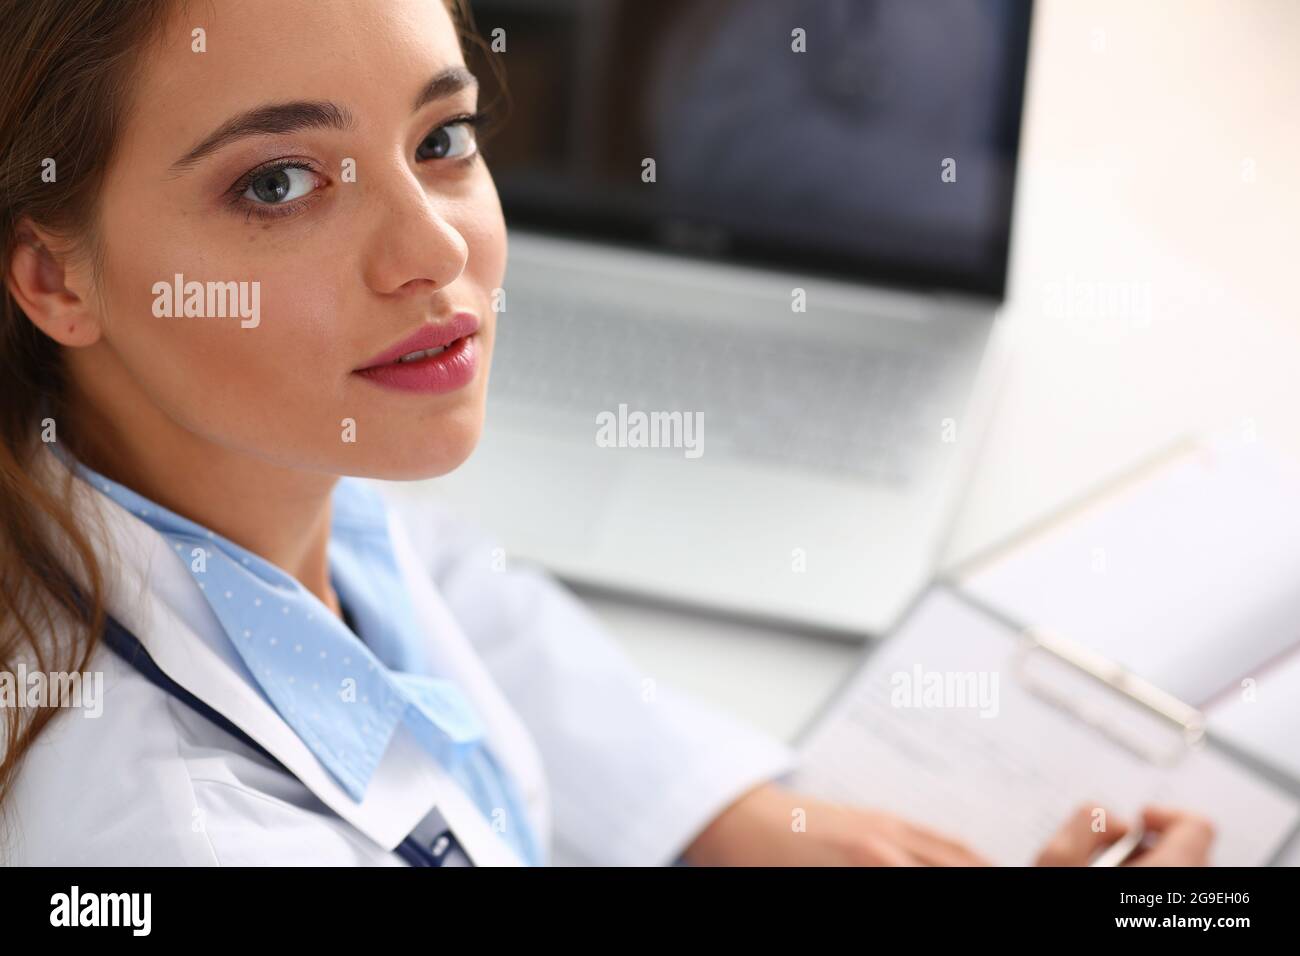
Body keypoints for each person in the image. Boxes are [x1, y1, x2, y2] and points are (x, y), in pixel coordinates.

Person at [0, 0, 1212, 866]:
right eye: (277, 183)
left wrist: (704, 808)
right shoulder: (173, 832)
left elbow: (437, 589)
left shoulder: (230, 479)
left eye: (440, 140)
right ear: (55, 279)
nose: (434, 252)